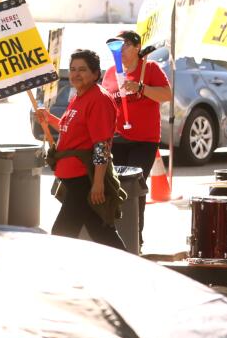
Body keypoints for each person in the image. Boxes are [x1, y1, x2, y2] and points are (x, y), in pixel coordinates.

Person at [37, 49, 124, 249]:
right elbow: (70, 130)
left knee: (62, 234)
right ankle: (133, 271)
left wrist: (98, 183)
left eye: (82, 70)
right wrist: (48, 118)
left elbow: (101, 144)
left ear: (95, 73)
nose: (76, 74)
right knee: (102, 234)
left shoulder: (99, 99)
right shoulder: (80, 96)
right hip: (73, 178)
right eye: (73, 69)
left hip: (84, 180)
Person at [101, 30, 171, 248]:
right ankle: (114, 234)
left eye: (125, 45)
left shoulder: (150, 68)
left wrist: (141, 88)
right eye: (117, 46)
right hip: (117, 138)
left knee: (133, 186)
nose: (121, 50)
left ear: (137, 47)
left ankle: (134, 237)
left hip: (144, 140)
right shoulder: (112, 72)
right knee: (114, 186)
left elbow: (167, 95)